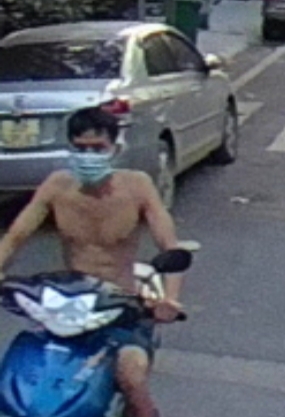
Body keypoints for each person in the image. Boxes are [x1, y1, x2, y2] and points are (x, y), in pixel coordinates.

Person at [0, 107, 187, 417]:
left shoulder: (138, 186)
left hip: (121, 307)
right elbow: (15, 236)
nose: (89, 156)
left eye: (98, 148)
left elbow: (171, 247)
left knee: (131, 375)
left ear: (114, 147)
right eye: (81, 148)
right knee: (24, 371)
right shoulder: (57, 186)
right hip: (67, 306)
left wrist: (169, 300)